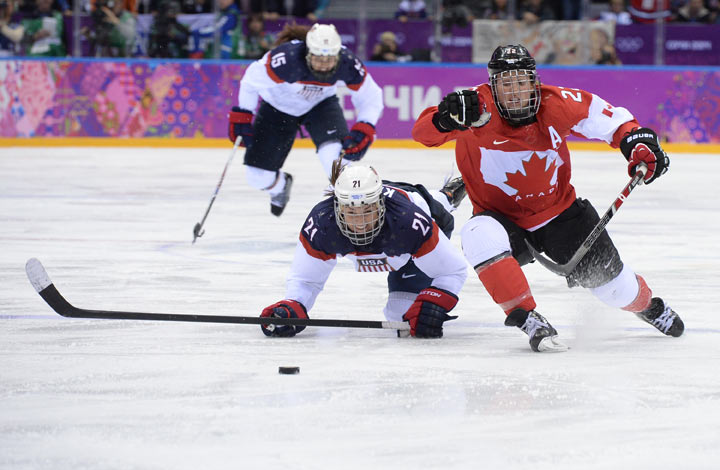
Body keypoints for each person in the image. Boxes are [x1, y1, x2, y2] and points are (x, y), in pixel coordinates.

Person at [412, 44, 684, 352]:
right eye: (506, 84)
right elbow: (422, 134)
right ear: (492, 86)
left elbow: (615, 123)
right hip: (502, 220)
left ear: (534, 82)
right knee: (477, 234)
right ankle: (527, 319)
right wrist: (445, 120)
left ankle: (647, 306)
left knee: (616, 291)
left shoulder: (558, 103)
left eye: (522, 82)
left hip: (562, 217)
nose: (515, 92)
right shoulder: (474, 108)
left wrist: (637, 144)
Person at [259, 161, 469, 338]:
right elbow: (306, 280)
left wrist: (435, 300)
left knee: (402, 318)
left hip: (421, 221)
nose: (360, 223)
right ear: (337, 206)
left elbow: (453, 270)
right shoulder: (322, 223)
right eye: (351, 211)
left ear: (380, 204)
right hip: (397, 241)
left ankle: (446, 196)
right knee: (403, 320)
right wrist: (293, 304)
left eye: (367, 210)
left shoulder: (409, 221)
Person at [228, 23, 384, 217]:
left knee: (336, 161)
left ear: (338, 55)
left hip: (320, 105)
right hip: (277, 108)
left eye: (330, 59)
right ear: (308, 53)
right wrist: (243, 114)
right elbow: (251, 80)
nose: (324, 64)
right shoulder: (286, 60)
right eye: (319, 58)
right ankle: (279, 186)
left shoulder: (348, 63)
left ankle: (351, 216)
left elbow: (371, 96)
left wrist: (365, 127)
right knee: (257, 177)